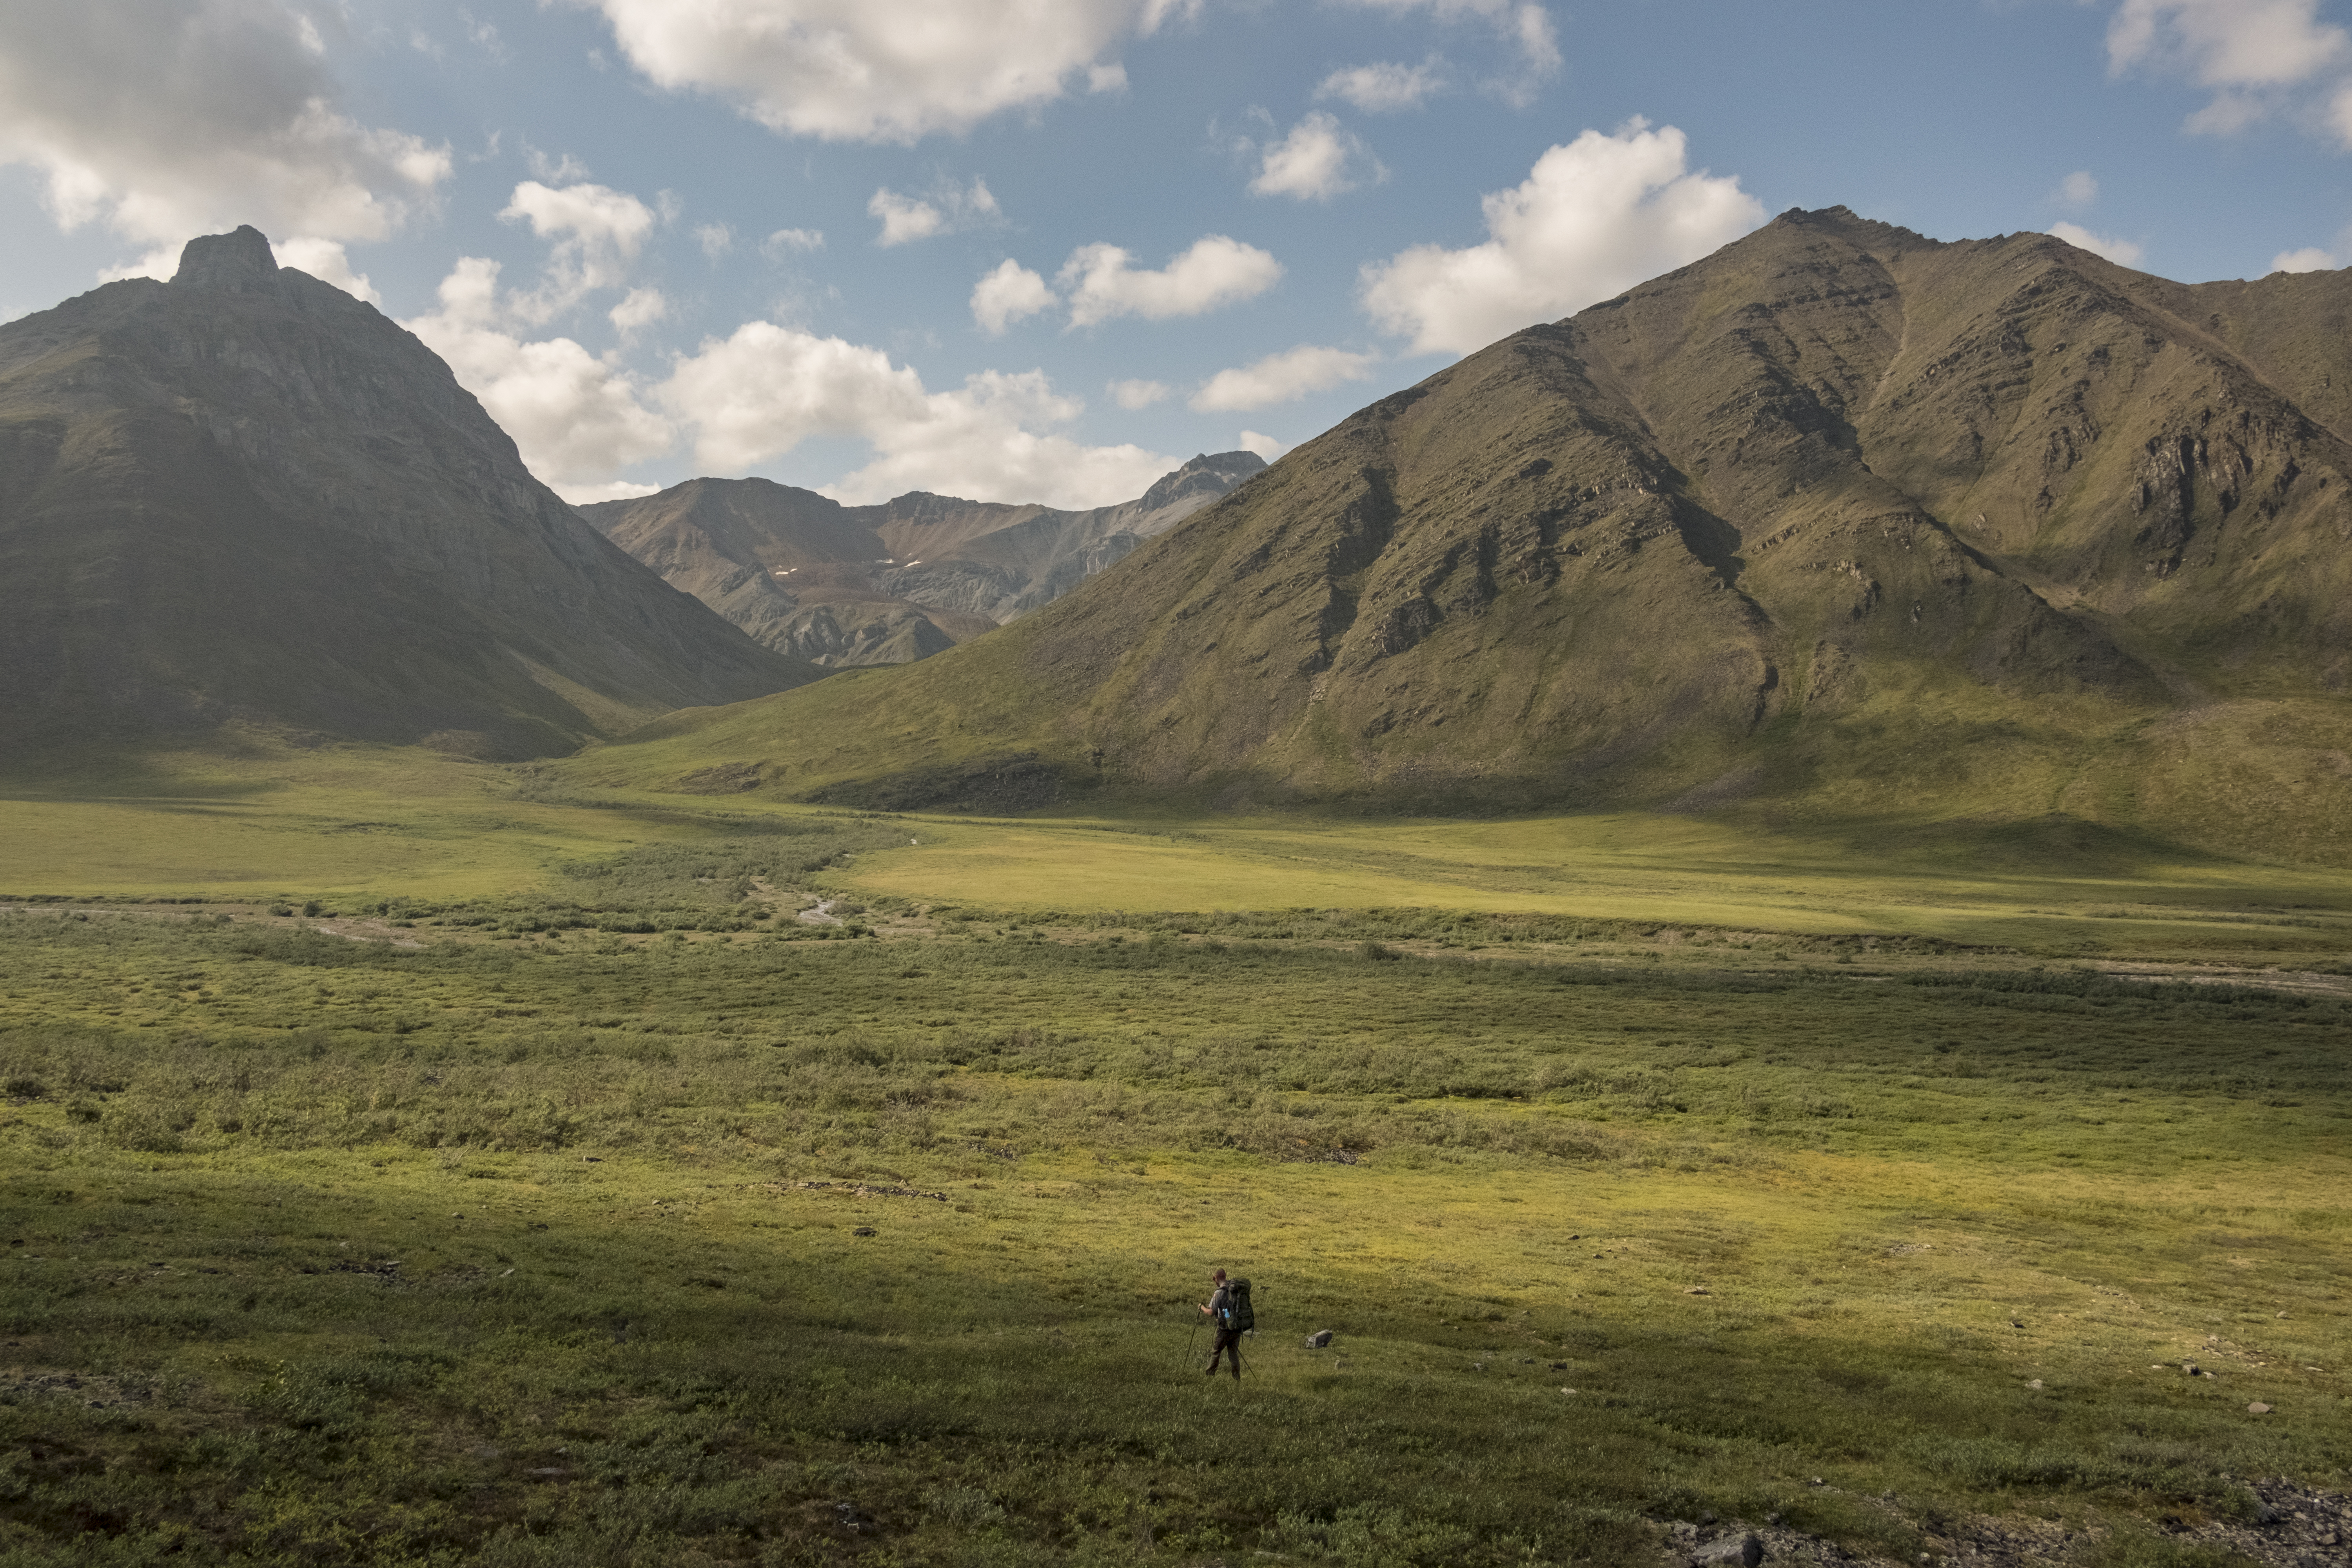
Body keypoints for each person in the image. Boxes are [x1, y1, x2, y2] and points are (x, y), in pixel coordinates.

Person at [1200, 1267, 1241, 1381]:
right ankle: (1237, 1379)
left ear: (1215, 1278)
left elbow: (1211, 1312)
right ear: (1225, 1276)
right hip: (1236, 1327)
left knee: (1216, 1352)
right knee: (1233, 1354)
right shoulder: (1235, 1290)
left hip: (1224, 1328)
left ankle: (1209, 1377)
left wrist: (1201, 1307)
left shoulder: (1219, 1293)